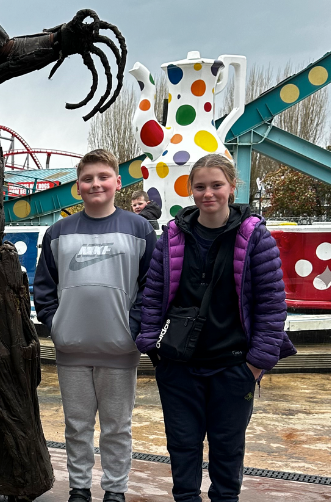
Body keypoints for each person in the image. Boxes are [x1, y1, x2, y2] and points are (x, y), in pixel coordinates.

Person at [133, 154, 295, 502]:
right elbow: (154, 292)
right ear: (191, 190)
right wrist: (152, 347)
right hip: (179, 367)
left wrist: (256, 364)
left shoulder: (255, 238)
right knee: (182, 445)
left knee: (228, 449)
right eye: (201, 186)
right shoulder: (173, 237)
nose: (209, 193)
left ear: (232, 187)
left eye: (216, 185)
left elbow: (271, 303)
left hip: (233, 365)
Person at [32, 149, 157, 502]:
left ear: (118, 182)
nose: (95, 184)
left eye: (103, 177)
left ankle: (115, 489)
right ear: (77, 187)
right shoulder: (57, 232)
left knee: (117, 428)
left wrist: (135, 328)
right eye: (87, 179)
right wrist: (55, 324)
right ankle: (79, 488)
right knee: (77, 426)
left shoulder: (139, 228)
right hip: (72, 348)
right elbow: (44, 286)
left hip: (120, 348)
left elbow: (152, 284)